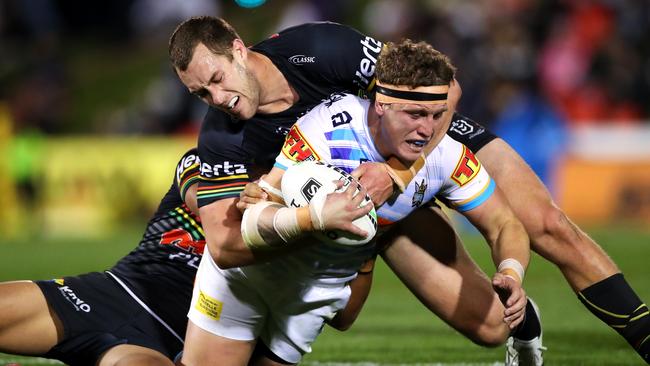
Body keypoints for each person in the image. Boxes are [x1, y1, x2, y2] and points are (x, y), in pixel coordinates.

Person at [169, 15, 650, 364]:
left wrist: (400, 170)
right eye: (200, 95)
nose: (218, 99)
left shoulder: (318, 48)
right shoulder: (223, 135)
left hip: (422, 141)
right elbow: (232, 237)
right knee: (486, 326)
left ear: (236, 47)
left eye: (215, 79)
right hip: (363, 208)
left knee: (546, 224)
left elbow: (445, 89)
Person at [179, 39, 531, 366]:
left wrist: (511, 271)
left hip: (314, 292)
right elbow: (256, 219)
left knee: (492, 325)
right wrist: (314, 217)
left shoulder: (446, 156)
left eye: (437, 115)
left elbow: (504, 223)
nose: (427, 131)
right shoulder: (326, 129)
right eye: (414, 114)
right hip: (250, 280)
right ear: (381, 103)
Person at [0, 147, 374, 366]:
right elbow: (205, 201)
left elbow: (342, 316)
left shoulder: (315, 206)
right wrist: (289, 215)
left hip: (180, 335)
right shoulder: (206, 161)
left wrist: (363, 250)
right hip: (111, 290)